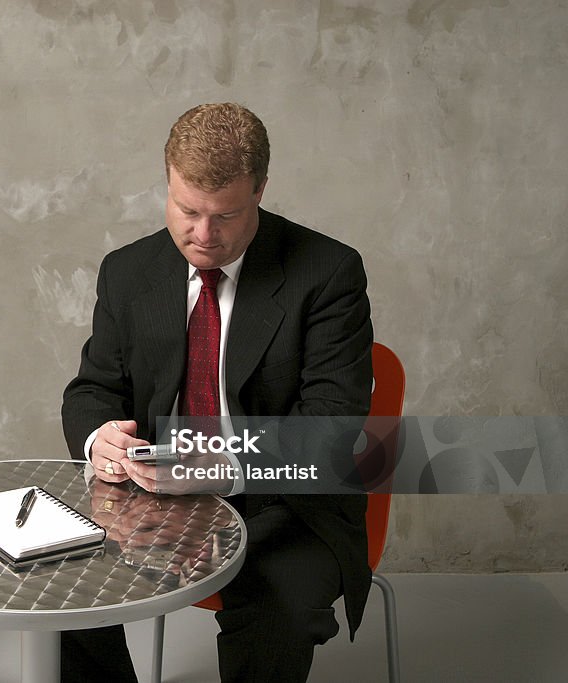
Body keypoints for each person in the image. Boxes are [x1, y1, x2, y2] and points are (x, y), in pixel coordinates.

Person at [60, 102, 374, 682]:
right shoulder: (127, 272)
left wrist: (228, 467)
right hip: (152, 499)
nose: (203, 235)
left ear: (260, 190)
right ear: (168, 182)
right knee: (64, 580)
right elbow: (93, 389)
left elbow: (332, 427)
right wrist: (97, 436)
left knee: (281, 611)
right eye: (187, 210)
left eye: (226, 216)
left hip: (286, 505)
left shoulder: (328, 273)